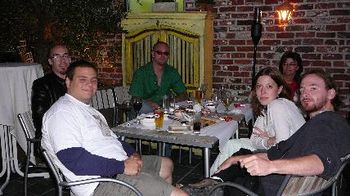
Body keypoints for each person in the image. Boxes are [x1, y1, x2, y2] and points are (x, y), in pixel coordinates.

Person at [41, 60, 188, 196]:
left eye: (93, 80)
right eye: (82, 79)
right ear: (68, 81)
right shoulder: (61, 113)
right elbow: (73, 159)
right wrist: (122, 166)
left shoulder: (90, 111)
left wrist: (133, 153)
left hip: (118, 165)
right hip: (100, 183)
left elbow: (113, 139)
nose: (90, 84)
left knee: (166, 165)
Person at [212, 69, 350, 195]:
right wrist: (235, 159)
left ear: (331, 93)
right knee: (241, 153)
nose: (305, 94)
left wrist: (270, 166)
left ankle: (210, 186)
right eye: (302, 90)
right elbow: (278, 150)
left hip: (270, 187)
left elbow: (322, 162)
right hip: (278, 180)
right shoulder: (322, 123)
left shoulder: (327, 123)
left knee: (224, 179)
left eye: (313, 88)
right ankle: (210, 185)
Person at [190, 67, 305, 188]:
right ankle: (211, 182)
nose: (263, 91)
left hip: (290, 169)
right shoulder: (266, 108)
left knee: (236, 150)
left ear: (279, 89)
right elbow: (254, 140)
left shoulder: (278, 105)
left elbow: (283, 147)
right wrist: (269, 140)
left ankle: (210, 184)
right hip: (282, 156)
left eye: (269, 86)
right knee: (232, 144)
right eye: (259, 86)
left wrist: (270, 140)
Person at [31, 44, 71, 156]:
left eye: (65, 56)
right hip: (52, 140)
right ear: (50, 61)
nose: (62, 60)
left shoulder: (76, 81)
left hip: (75, 133)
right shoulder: (42, 84)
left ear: (70, 59)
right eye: (57, 57)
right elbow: (40, 118)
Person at [129, 41, 187, 114]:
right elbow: (135, 98)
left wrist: (170, 101)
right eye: (159, 53)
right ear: (153, 54)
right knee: (144, 107)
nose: (162, 56)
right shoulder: (141, 73)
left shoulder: (171, 72)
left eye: (166, 53)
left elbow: (183, 94)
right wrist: (149, 102)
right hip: (144, 111)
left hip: (163, 109)